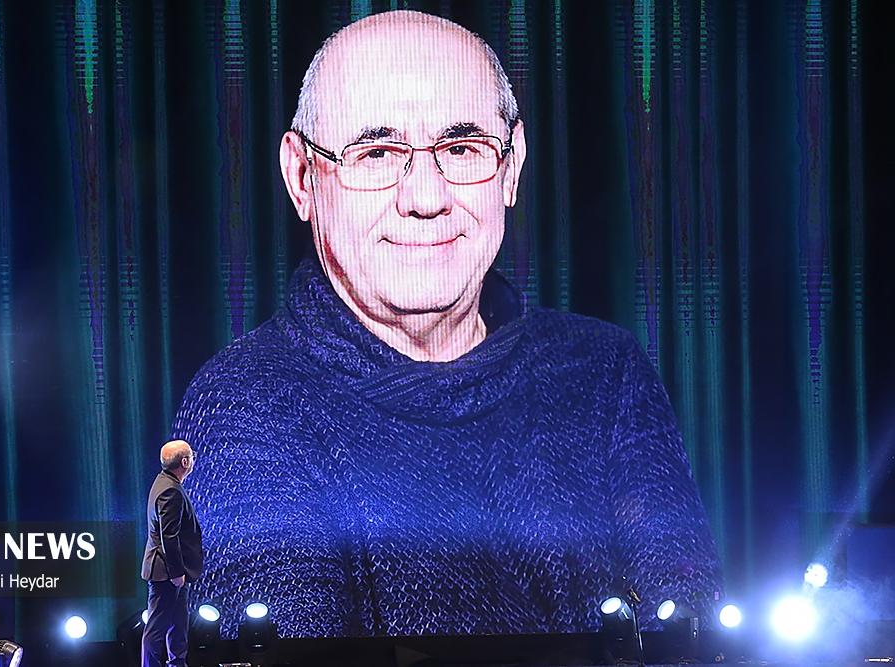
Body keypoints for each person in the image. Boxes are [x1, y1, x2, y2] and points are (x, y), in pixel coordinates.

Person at [172, 10, 721, 637]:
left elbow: (690, 631)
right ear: (302, 178)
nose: (426, 198)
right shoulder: (245, 404)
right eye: (376, 154)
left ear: (512, 166)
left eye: (461, 149)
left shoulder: (604, 371)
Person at [141, 440, 204, 667]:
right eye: (191, 456)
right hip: (167, 572)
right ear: (185, 462)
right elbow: (169, 536)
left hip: (174, 571)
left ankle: (178, 664)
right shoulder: (170, 490)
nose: (193, 459)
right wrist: (176, 573)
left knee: (178, 625)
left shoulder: (166, 483)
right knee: (157, 628)